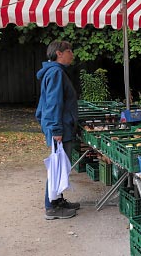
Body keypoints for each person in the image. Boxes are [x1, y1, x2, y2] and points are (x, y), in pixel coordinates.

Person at [36, 40, 80, 220]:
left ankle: (58, 200)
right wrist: (56, 129)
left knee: (61, 165)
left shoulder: (56, 72)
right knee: (56, 167)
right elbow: (53, 104)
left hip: (60, 125)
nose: (72, 54)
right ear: (59, 53)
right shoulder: (55, 73)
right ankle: (51, 207)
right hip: (59, 127)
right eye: (69, 51)